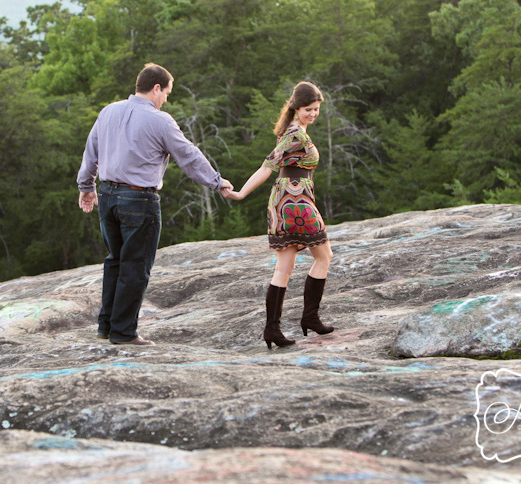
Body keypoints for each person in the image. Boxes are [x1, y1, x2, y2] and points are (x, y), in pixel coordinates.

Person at [77, 63, 233, 346]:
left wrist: (86, 187)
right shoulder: (160, 120)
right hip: (139, 200)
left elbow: (91, 152)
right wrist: (216, 181)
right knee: (134, 267)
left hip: (108, 197)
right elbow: (188, 155)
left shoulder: (108, 111)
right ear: (157, 87)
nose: (165, 100)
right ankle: (123, 332)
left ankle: (107, 325)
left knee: (115, 261)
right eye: (167, 94)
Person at [223, 82, 335, 349]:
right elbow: (267, 166)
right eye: (309, 109)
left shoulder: (291, 131)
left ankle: (272, 329)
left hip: (284, 200)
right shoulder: (295, 134)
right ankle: (310, 317)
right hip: (296, 201)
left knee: (284, 268)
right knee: (324, 256)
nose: (313, 113)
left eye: (317, 109)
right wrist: (241, 193)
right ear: (296, 107)